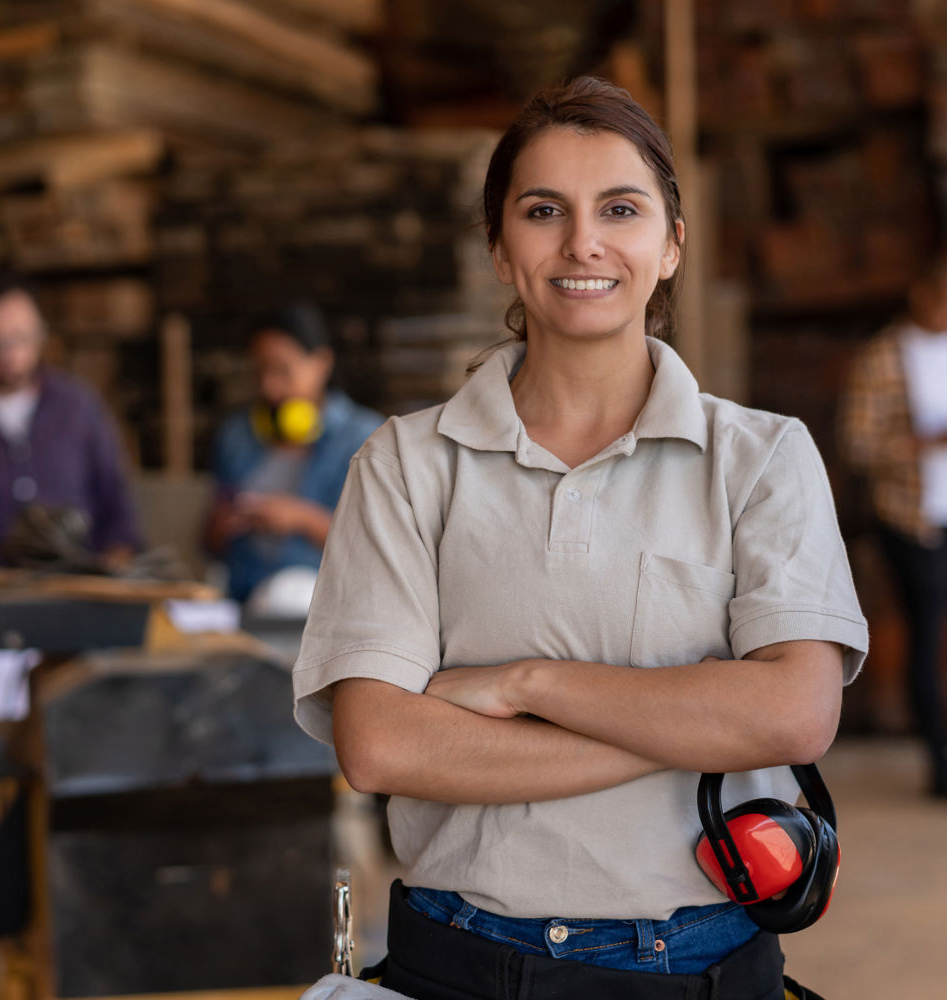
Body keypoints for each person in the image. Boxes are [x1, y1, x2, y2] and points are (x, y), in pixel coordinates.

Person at [293, 77, 868, 999]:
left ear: (673, 244)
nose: (583, 243)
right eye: (543, 210)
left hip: (710, 968)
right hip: (466, 963)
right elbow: (380, 745)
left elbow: (797, 712)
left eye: (621, 209)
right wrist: (698, 722)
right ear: (497, 245)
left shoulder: (761, 458)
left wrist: (530, 686)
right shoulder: (405, 464)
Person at [840, 253, 947, 797]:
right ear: (921, 297)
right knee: (925, 633)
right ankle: (940, 765)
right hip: (912, 517)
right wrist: (921, 444)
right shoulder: (884, 356)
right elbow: (857, 444)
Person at [0, 271, 141, 568]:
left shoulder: (79, 407)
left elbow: (117, 510)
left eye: (19, 338)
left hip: (74, 593)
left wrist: (116, 565)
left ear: (41, 335)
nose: (8, 354)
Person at [206, 304, 382, 607]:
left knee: (285, 596)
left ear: (321, 363)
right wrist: (223, 524)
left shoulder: (365, 437)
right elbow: (209, 544)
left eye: (282, 370)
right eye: (259, 371)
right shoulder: (237, 434)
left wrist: (301, 519)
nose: (269, 387)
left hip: (325, 601)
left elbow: (379, 548)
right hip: (241, 596)